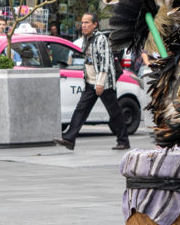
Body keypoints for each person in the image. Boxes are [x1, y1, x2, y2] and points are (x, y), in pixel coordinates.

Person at [55, 12, 130, 151]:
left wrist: (100, 83)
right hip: (91, 81)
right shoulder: (86, 38)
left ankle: (123, 140)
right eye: (82, 22)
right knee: (81, 109)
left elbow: (105, 62)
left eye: (87, 22)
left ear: (95, 24)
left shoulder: (100, 39)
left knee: (114, 112)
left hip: (104, 83)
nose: (83, 25)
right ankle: (69, 138)